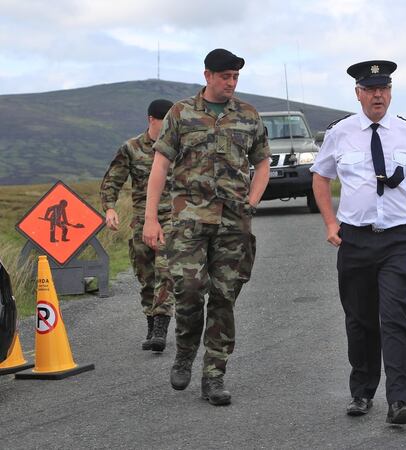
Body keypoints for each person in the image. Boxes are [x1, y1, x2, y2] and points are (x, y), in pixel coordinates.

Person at [310, 60, 406, 425]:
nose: (378, 96)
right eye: (371, 89)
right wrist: (330, 222)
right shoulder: (340, 133)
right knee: (359, 319)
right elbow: (320, 178)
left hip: (398, 239)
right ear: (358, 93)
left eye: (384, 89)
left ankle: (400, 400)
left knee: (394, 316)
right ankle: (362, 390)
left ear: (390, 92)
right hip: (354, 239)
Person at [142, 48, 270, 406]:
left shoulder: (247, 115)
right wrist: (151, 218)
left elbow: (262, 163)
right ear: (207, 76)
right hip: (189, 220)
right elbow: (160, 166)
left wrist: (254, 201)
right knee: (188, 289)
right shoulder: (181, 113)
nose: (231, 83)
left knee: (225, 297)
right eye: (225, 76)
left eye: (235, 77)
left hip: (233, 222)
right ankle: (184, 350)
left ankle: (214, 375)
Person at [100, 99, 175, 352]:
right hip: (143, 221)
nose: (169, 128)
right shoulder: (131, 148)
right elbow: (113, 180)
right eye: (165, 122)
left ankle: (161, 330)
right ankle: (152, 325)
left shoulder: (181, 147)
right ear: (151, 120)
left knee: (166, 273)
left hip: (173, 220)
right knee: (147, 277)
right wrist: (109, 208)